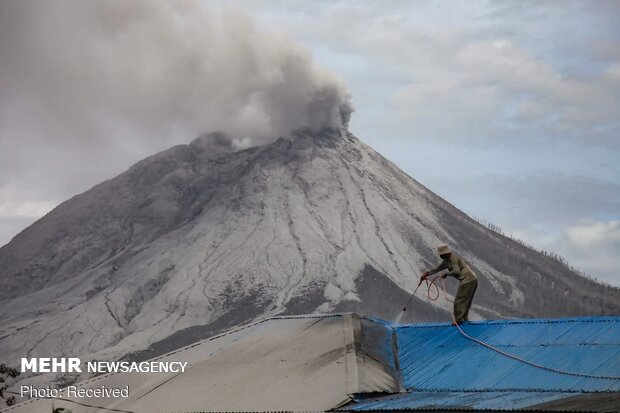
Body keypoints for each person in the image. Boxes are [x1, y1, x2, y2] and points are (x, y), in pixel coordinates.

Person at [421, 245, 477, 325]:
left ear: (446, 253)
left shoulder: (454, 259)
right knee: (466, 301)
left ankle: (459, 320)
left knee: (459, 300)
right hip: (471, 278)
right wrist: (427, 273)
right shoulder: (446, 261)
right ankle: (464, 319)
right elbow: (437, 269)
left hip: (468, 278)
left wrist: (447, 274)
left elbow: (456, 271)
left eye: (441, 255)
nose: (440, 256)